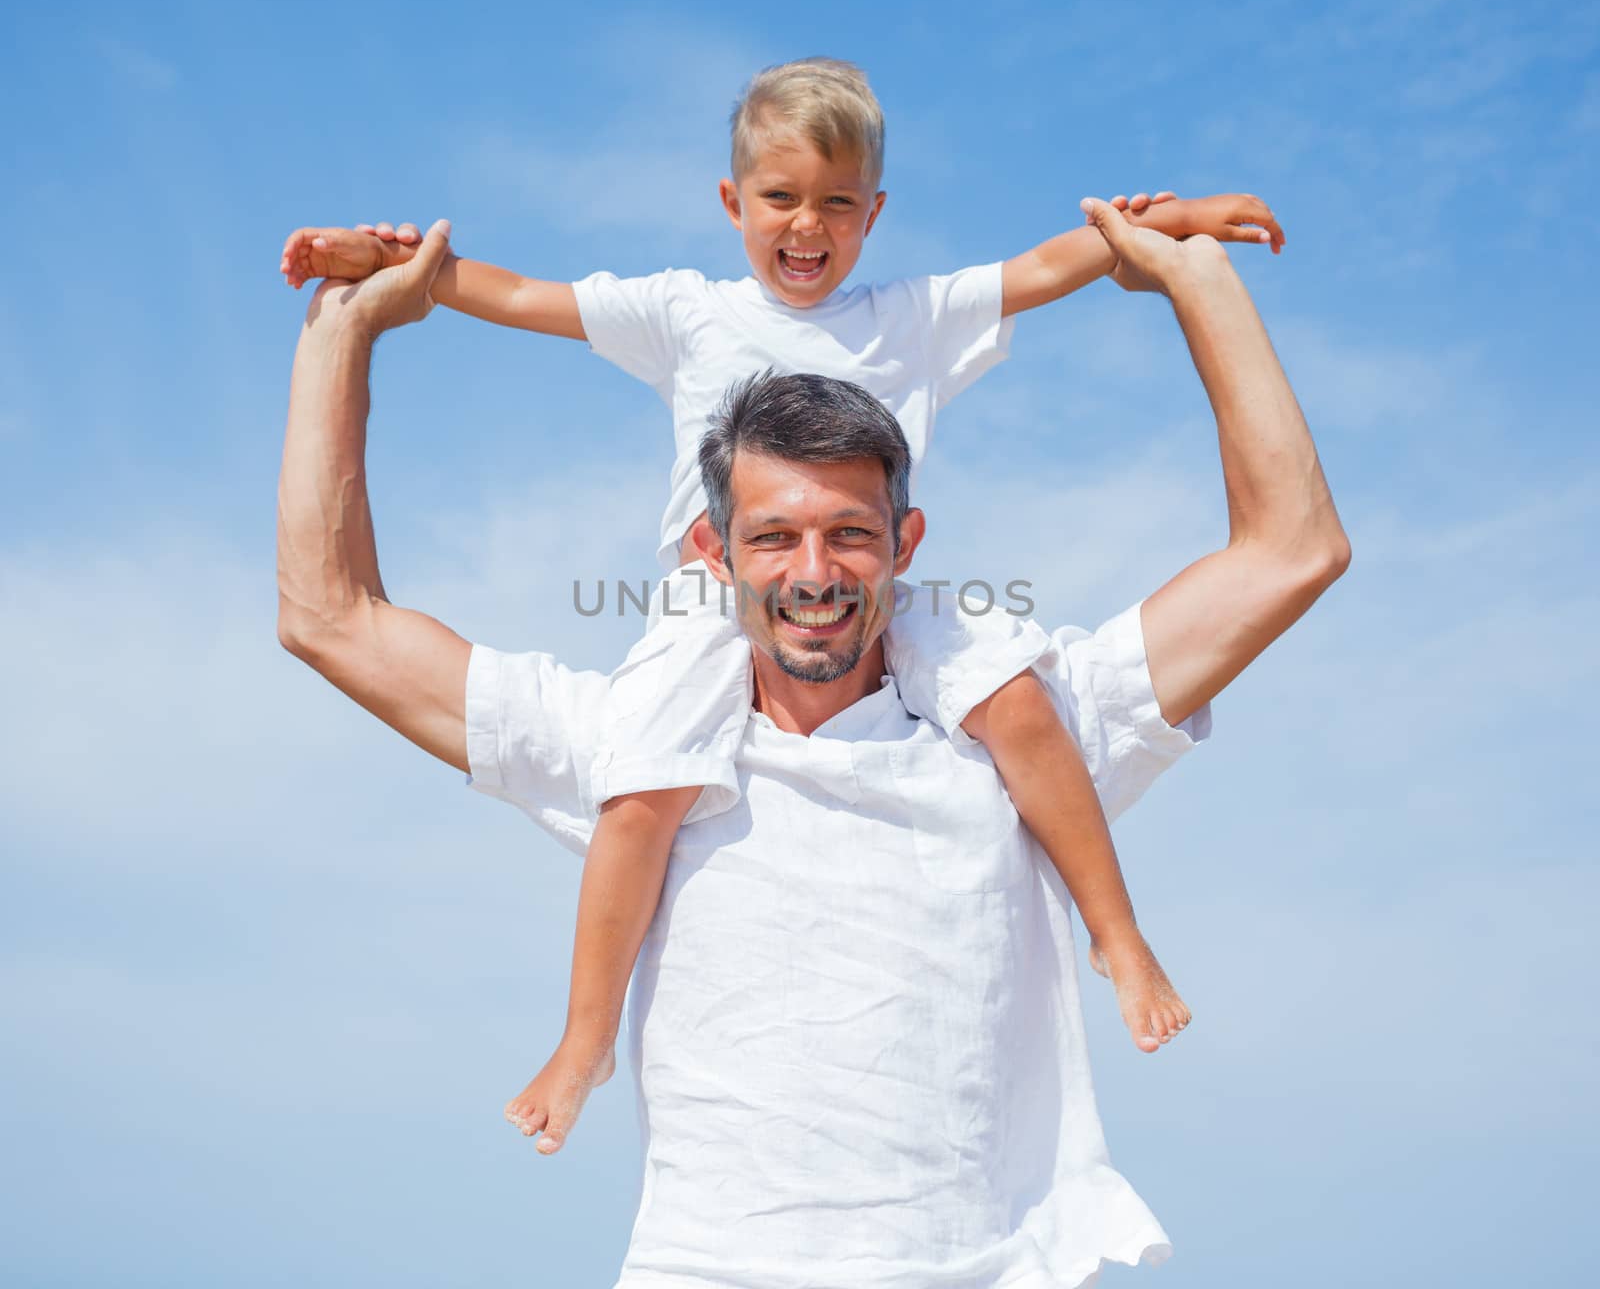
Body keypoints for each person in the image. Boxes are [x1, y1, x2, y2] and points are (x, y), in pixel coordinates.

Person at [275, 201, 1348, 1287]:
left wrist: (1196, 280)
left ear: (904, 544)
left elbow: (1290, 552)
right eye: (773, 537)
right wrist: (345, 325)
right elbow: (330, 618)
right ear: (713, 552)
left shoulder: (1018, 734)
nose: (816, 574)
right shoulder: (639, 748)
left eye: (850, 535)